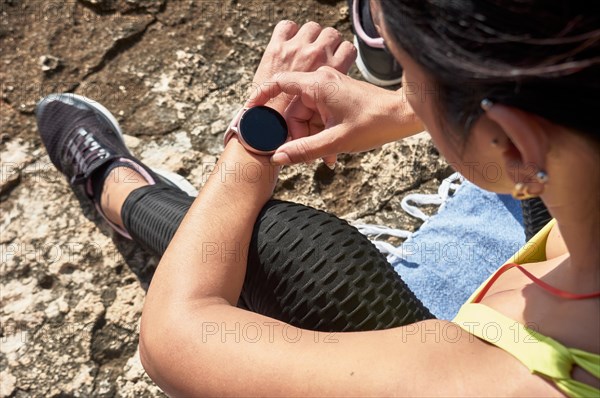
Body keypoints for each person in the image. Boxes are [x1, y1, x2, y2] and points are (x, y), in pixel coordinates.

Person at [35, 1, 599, 397]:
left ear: (516, 142)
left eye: (405, 72)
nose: (402, 91)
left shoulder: (494, 383)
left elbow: (177, 337)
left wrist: (252, 141)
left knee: (278, 245)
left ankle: (123, 191)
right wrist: (407, 110)